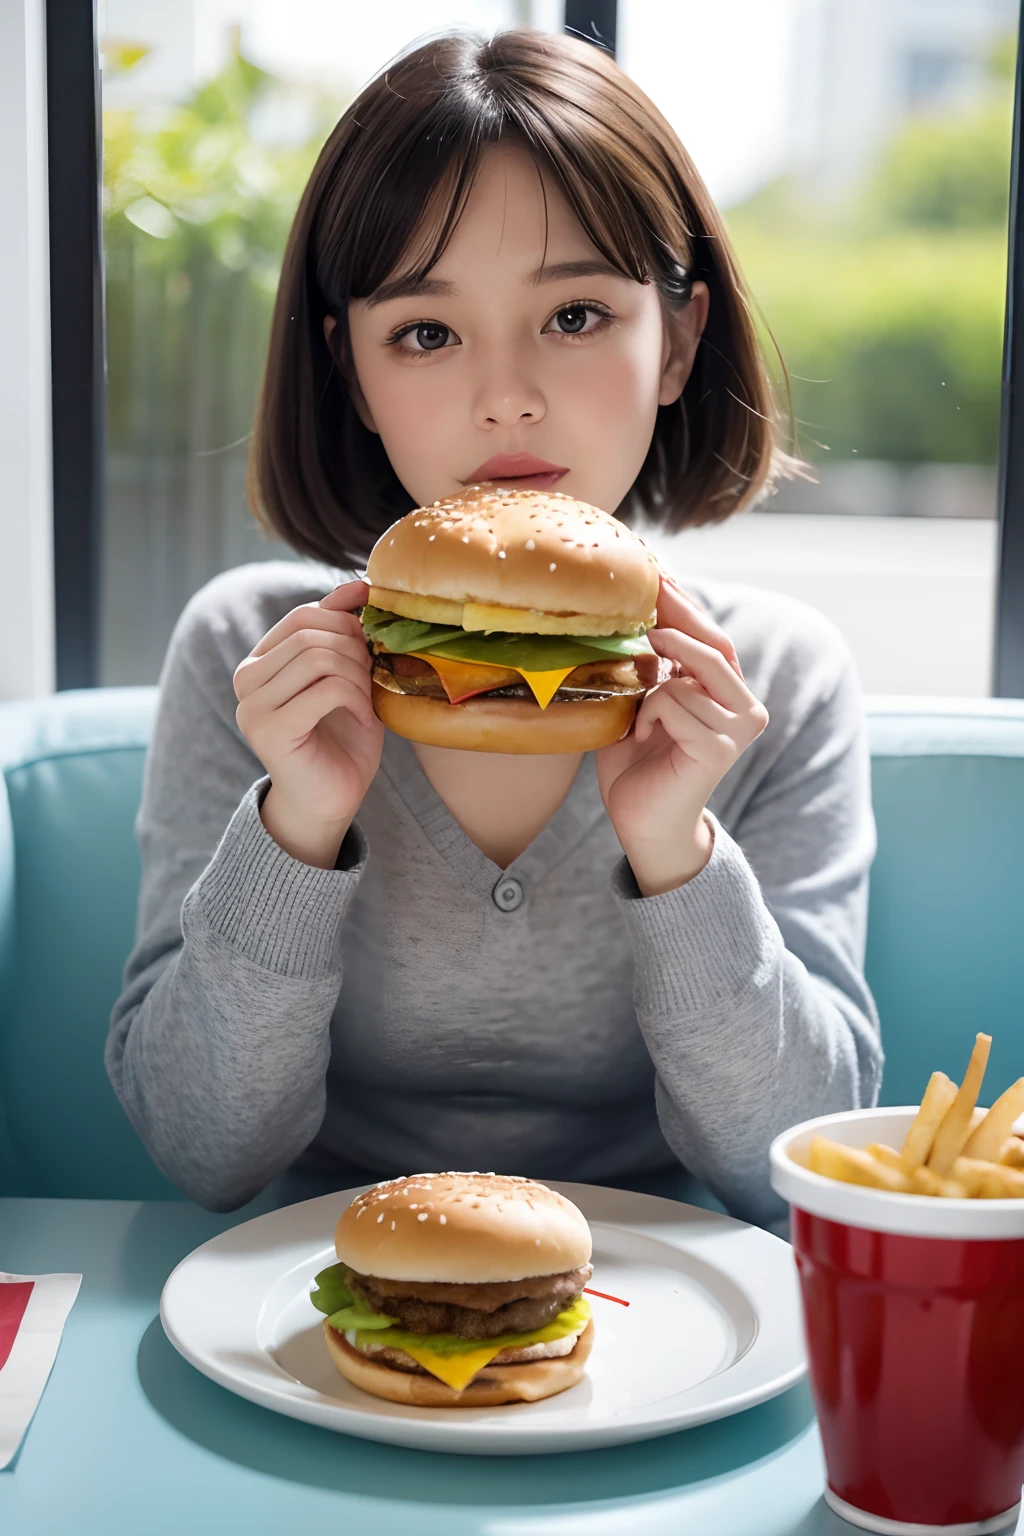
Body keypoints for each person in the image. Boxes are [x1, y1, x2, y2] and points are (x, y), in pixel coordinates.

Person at [105, 29, 881, 1224]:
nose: (504, 394)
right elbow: (201, 1149)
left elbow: (786, 1163)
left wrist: (676, 851)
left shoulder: (773, 680)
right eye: (426, 332)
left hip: (668, 1309)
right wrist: (297, 825)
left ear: (673, 340)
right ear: (351, 374)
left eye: (574, 315)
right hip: (307, 1300)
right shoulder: (246, 657)